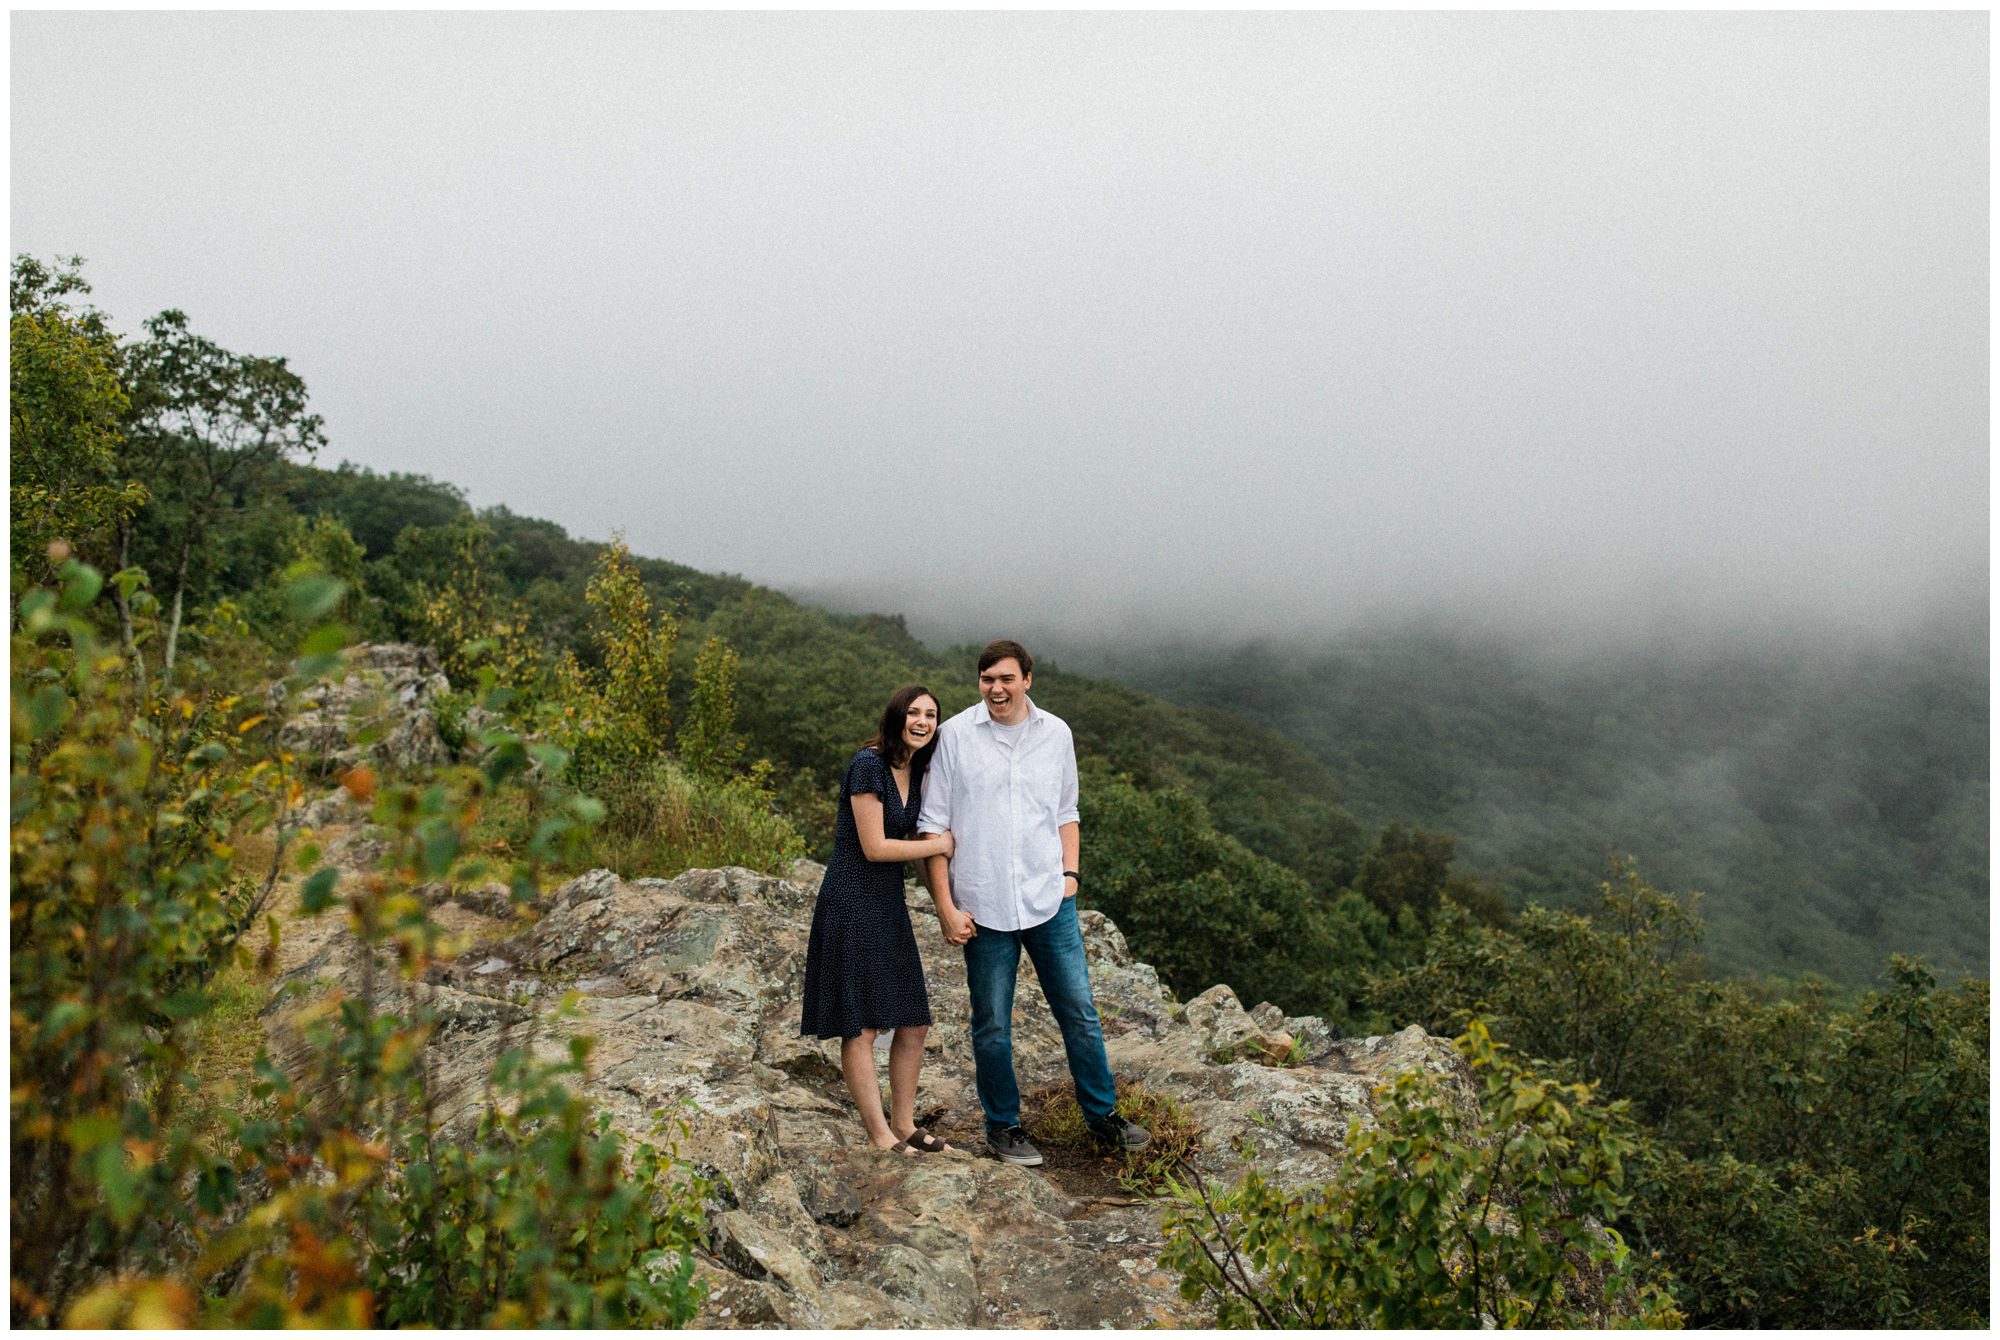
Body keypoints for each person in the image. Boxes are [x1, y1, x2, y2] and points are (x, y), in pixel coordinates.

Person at [916, 640, 1151, 1166]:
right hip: (983, 902)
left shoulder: (1057, 734)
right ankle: (1003, 1126)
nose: (995, 688)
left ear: (1027, 679)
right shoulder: (954, 736)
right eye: (986, 679)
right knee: (993, 1023)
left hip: (1049, 900)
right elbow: (933, 825)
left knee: (1081, 1013)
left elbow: (1067, 811)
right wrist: (945, 906)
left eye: (1005, 678)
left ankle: (1102, 1115)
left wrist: (1070, 874)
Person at [799, 685, 959, 1156]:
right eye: (914, 712)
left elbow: (910, 853)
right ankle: (878, 1135)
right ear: (896, 716)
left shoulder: (917, 768)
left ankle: (905, 1124)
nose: (923, 721)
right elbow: (876, 847)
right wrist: (939, 844)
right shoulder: (869, 764)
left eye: (931, 715)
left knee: (913, 1022)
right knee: (863, 1026)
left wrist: (943, 906)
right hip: (851, 900)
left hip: (888, 903)